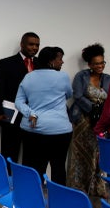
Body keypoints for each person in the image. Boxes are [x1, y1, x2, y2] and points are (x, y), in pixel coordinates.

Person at [15, 47, 73, 185]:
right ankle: (58, 203)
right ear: (51, 61)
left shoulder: (28, 76)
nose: (62, 62)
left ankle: (32, 202)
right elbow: (69, 94)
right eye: (60, 59)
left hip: (33, 130)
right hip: (60, 131)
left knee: (34, 169)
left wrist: (31, 113)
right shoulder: (63, 77)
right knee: (58, 168)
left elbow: (18, 101)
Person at [66, 44, 110, 197]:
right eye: (96, 63)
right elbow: (77, 96)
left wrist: (101, 114)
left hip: (100, 123)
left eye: (102, 63)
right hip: (82, 121)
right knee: (80, 155)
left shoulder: (108, 79)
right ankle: (78, 187)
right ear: (90, 64)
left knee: (97, 155)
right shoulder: (81, 76)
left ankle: (96, 187)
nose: (100, 66)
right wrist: (94, 109)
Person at [0, 32, 41, 164]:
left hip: (34, 116)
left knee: (32, 155)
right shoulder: (6, 63)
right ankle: (7, 182)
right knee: (9, 153)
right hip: (11, 116)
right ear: (22, 44)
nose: (35, 48)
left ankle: (27, 183)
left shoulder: (41, 64)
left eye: (37, 45)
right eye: (31, 44)